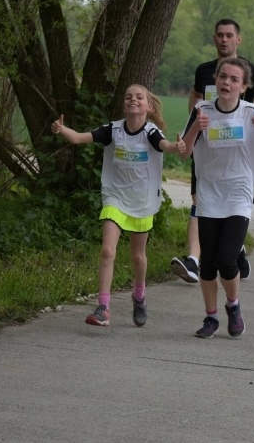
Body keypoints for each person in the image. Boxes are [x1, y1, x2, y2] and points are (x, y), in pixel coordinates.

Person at [179, 57, 254, 338]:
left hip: (238, 196)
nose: (226, 83)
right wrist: (197, 127)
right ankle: (211, 317)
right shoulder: (201, 110)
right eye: (222, 77)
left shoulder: (252, 113)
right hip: (209, 195)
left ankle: (233, 306)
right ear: (215, 81)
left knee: (227, 260)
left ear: (244, 86)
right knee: (207, 264)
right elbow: (183, 153)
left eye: (234, 79)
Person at [51, 85, 186, 327]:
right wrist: (62, 129)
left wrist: (178, 147)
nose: (133, 100)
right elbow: (79, 138)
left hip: (143, 201)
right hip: (115, 197)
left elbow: (167, 147)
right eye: (128, 97)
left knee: (138, 256)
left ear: (148, 107)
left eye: (139, 97)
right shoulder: (112, 130)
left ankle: (140, 297)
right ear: (124, 105)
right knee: (107, 250)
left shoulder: (151, 133)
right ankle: (103, 307)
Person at [170, 19, 254, 284]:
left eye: (229, 35)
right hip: (208, 143)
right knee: (199, 199)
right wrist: (197, 124)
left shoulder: (248, 70)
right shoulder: (204, 70)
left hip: (237, 150)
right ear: (214, 38)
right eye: (219, 35)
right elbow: (196, 98)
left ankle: (235, 249)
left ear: (238, 39)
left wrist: (243, 111)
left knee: (229, 209)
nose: (224, 40)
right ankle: (194, 261)